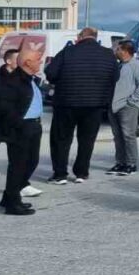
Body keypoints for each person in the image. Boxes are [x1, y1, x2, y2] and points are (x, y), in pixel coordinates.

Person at [45, 27, 120, 184]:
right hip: (95, 104)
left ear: (80, 37)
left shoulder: (68, 52)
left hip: (66, 103)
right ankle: (81, 172)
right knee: (87, 140)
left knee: (61, 139)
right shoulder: (108, 54)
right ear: (95, 37)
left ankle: (60, 174)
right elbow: (115, 77)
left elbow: (51, 73)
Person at [0, 37, 46, 215]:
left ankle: (9, 196)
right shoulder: (14, 81)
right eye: (38, 60)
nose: (40, 62)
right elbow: (5, 106)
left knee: (31, 161)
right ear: (28, 62)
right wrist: (16, 124)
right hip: (21, 128)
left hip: (33, 126)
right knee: (19, 165)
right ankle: (12, 203)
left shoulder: (30, 78)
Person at [0, 49, 38, 201]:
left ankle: (21, 185)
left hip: (19, 126)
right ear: (9, 61)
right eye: (18, 59)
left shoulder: (26, 79)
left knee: (19, 159)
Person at [108, 40, 139, 175]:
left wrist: (132, 101)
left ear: (125, 51)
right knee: (117, 136)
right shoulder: (118, 66)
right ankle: (120, 162)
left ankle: (131, 163)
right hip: (114, 106)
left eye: (117, 49)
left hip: (127, 106)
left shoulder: (137, 66)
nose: (115, 51)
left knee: (128, 135)